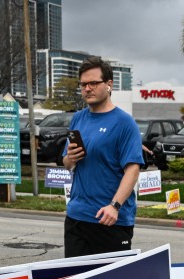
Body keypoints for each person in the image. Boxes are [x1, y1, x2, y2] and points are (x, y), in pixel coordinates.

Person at [61, 56, 143, 257]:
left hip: (111, 219)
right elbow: (67, 164)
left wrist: (115, 206)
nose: (87, 89)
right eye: (83, 84)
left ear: (109, 85)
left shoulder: (125, 123)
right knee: (75, 277)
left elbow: (132, 170)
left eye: (93, 83)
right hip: (77, 217)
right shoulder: (78, 119)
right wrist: (71, 157)